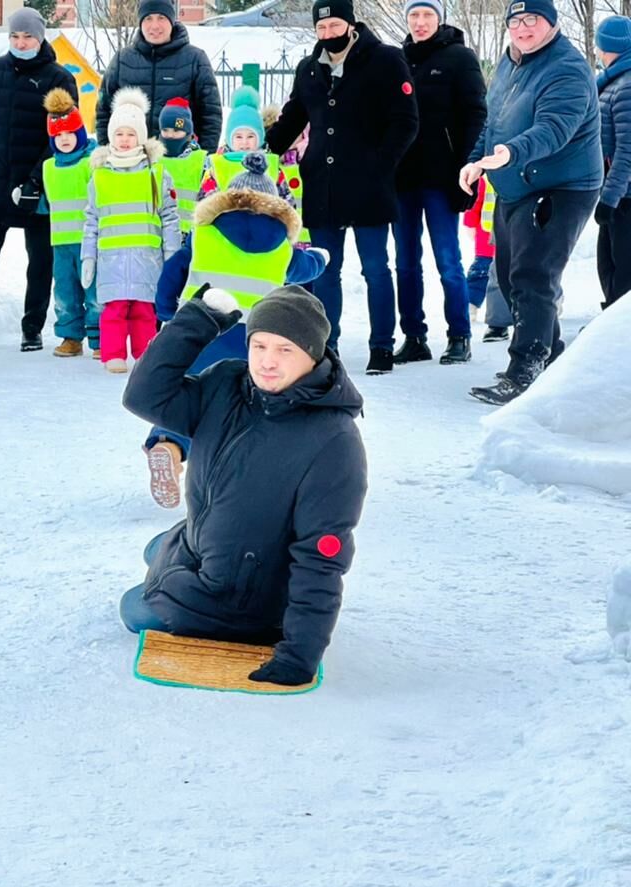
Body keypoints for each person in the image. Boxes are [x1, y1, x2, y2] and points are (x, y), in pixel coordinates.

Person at [120, 285, 367, 687]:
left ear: (313, 353)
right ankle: (174, 561)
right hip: (204, 545)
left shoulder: (333, 441)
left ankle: (179, 578)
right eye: (259, 346)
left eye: (285, 350)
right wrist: (199, 319)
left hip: (245, 600)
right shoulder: (228, 385)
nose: (268, 362)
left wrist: (299, 657)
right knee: (156, 550)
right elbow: (145, 396)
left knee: (131, 609)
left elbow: (321, 558)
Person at [146, 154, 328, 508]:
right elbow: (307, 268)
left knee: (186, 398)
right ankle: (233, 475)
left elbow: (173, 271)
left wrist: (167, 310)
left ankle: (168, 444)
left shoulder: (203, 235)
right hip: (251, 344)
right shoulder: (280, 246)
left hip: (197, 334)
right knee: (240, 408)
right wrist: (322, 256)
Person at [265, 0, 419, 375]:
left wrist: (380, 166)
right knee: (324, 271)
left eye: (334, 26)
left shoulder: (385, 59)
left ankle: (381, 344)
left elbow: (406, 122)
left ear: (350, 25)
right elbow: (292, 119)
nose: (328, 34)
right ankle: (325, 346)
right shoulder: (309, 69)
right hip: (323, 185)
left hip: (369, 186)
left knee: (375, 268)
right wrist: (257, 148)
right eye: (321, 29)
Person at [461, 0, 601, 405]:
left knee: (533, 276)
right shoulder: (511, 61)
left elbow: (554, 129)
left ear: (551, 23)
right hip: (515, 185)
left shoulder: (568, 69)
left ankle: (525, 369)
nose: (523, 28)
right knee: (507, 276)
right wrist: (475, 162)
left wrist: (508, 153)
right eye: (516, 21)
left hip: (561, 185)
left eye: (532, 20)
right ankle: (551, 359)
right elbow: (494, 121)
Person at [0, 8, 79, 352]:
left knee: (40, 262)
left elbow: (62, 135)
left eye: (28, 36)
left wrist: (36, 179)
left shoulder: (59, 78)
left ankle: (32, 327)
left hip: (38, 187)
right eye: (15, 36)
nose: (21, 42)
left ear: (40, 38)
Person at [391, 0, 487, 367]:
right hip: (403, 178)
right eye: (414, 15)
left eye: (427, 14)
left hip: (444, 177)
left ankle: (459, 335)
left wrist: (469, 167)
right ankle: (414, 336)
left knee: (448, 259)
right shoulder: (397, 58)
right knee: (405, 261)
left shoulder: (459, 58)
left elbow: (476, 114)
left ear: (439, 18)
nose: (420, 22)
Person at [82, 88, 182, 374]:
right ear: (111, 137)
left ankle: (144, 354)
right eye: (119, 134)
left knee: (143, 310)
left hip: (147, 259)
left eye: (131, 134)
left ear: (141, 137)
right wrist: (88, 257)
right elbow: (91, 220)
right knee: (113, 310)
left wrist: (172, 254)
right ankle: (112, 355)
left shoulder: (156, 173)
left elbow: (169, 218)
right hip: (111, 259)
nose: (125, 140)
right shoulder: (100, 176)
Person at [95, 0, 222, 153]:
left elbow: (210, 115)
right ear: (141, 22)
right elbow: (103, 111)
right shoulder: (122, 60)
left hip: (180, 161)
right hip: (131, 161)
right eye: (148, 18)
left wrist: (203, 158)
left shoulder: (195, 59)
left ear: (172, 20)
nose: (154, 26)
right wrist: (108, 151)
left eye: (161, 17)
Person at [39, 89, 99, 358]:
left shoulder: (92, 163)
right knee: (64, 292)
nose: (64, 139)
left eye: (69, 133)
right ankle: (70, 336)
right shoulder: (49, 167)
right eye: (58, 135)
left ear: (81, 133)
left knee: (95, 292)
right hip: (60, 243)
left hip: (90, 242)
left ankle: (99, 338)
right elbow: (47, 202)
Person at [596, 16, 631, 310]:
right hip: (620, 193)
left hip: (625, 196)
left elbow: (627, 151)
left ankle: (619, 338)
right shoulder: (614, 82)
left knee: (622, 272)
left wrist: (609, 198)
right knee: (608, 263)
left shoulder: (626, 86)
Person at [463, 178, 513, 336]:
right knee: (481, 272)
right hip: (486, 238)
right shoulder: (485, 178)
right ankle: (470, 303)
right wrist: (470, 223)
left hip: (513, 235)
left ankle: (554, 300)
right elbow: (475, 201)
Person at [157, 97, 206, 239]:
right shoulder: (153, 160)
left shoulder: (201, 161)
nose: (170, 136)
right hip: (160, 235)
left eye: (177, 131)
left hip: (192, 236)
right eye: (165, 130)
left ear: (188, 133)